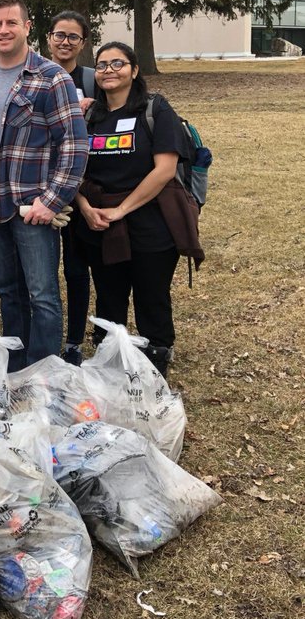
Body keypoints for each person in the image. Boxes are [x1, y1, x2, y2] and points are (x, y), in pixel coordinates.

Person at [0, 0, 87, 370]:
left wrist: (52, 200)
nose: (4, 30)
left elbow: (74, 146)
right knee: (8, 292)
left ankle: (45, 372)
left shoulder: (51, 78)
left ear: (27, 27)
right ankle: (16, 369)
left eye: (11, 22)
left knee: (42, 293)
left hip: (33, 205)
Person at [72, 42, 203, 379]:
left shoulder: (154, 109)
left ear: (133, 69)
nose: (109, 70)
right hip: (99, 222)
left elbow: (163, 169)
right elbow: (74, 171)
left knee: (151, 294)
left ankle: (156, 359)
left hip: (150, 220)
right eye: (101, 65)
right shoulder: (88, 117)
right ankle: (109, 356)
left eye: (118, 63)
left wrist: (122, 210)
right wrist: (86, 208)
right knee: (109, 295)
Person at [46, 10, 95, 363]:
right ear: (48, 38)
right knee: (41, 273)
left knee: (76, 268)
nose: (65, 42)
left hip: (79, 189)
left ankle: (74, 340)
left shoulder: (94, 82)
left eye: (72, 37)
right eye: (59, 35)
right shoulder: (35, 76)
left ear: (83, 42)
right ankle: (44, 337)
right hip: (38, 191)